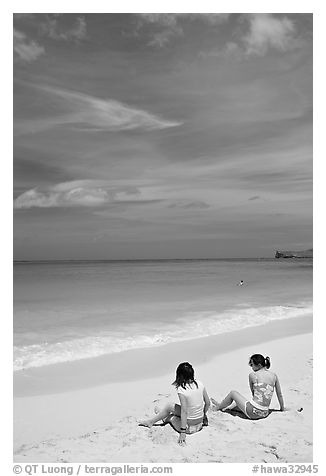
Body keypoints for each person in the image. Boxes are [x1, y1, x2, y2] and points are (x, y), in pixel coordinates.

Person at [139, 362, 210, 445]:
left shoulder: (182, 390)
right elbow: (207, 403)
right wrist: (204, 415)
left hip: (189, 428)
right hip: (200, 424)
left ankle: (151, 421)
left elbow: (184, 411)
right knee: (170, 406)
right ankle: (160, 414)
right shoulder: (200, 383)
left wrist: (183, 432)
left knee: (170, 417)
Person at [211, 354, 284, 420]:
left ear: (258, 365)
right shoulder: (274, 376)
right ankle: (223, 406)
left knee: (233, 393)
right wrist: (282, 408)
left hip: (253, 412)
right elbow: (279, 394)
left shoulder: (253, 375)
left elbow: (254, 393)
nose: (251, 367)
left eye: (252, 365)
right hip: (265, 413)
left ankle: (217, 407)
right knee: (235, 405)